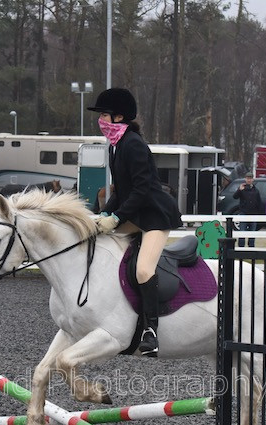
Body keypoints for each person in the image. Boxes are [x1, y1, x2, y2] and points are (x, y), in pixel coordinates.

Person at [87, 88, 183, 358]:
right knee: (100, 242)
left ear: (119, 116)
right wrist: (104, 215)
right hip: (134, 214)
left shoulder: (134, 145)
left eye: (104, 115)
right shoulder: (115, 146)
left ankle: (150, 332)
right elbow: (120, 190)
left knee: (143, 270)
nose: (101, 120)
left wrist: (117, 218)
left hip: (153, 217)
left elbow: (141, 191)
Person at [232, 172, 261, 247]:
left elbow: (258, 202)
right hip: (243, 213)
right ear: (245, 179)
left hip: (253, 213)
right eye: (247, 178)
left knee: (252, 232)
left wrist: (258, 212)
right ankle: (241, 247)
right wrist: (239, 190)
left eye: (250, 178)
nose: (249, 180)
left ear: (253, 179)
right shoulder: (242, 189)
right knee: (242, 231)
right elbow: (235, 197)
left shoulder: (256, 190)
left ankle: (251, 246)